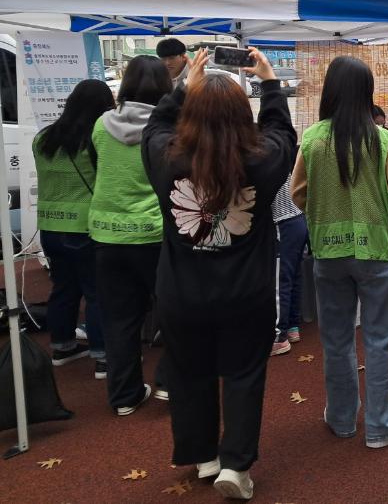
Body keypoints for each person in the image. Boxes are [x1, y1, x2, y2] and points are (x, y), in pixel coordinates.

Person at [141, 48, 295, 499]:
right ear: (240, 113)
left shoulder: (165, 157)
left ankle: (203, 454)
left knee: (189, 372)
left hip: (181, 291)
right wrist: (269, 83)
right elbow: (282, 132)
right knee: (245, 373)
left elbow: (156, 126)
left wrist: (183, 88)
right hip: (245, 291)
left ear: (189, 111)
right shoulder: (262, 160)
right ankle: (236, 464)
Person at [291, 56, 388, 449]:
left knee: (336, 338)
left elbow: (297, 192)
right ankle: (383, 423)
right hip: (375, 251)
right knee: (382, 339)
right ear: (367, 93)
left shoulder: (312, 137)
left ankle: (342, 417)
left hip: (328, 253)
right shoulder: (380, 138)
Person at [89, 55, 172, 415]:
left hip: (106, 232)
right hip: (153, 232)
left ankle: (124, 396)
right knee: (172, 308)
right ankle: (169, 382)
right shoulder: (166, 128)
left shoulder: (100, 124)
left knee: (119, 317)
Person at [33, 79, 115, 379]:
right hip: (84, 225)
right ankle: (103, 357)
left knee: (63, 288)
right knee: (96, 292)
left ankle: (62, 346)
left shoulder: (42, 139)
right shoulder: (95, 139)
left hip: (50, 225)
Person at [271, 176, 309, 356]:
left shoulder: (265, 160)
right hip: (298, 219)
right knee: (294, 276)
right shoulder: (280, 155)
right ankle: (292, 326)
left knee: (281, 280)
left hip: (282, 222)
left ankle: (279, 337)